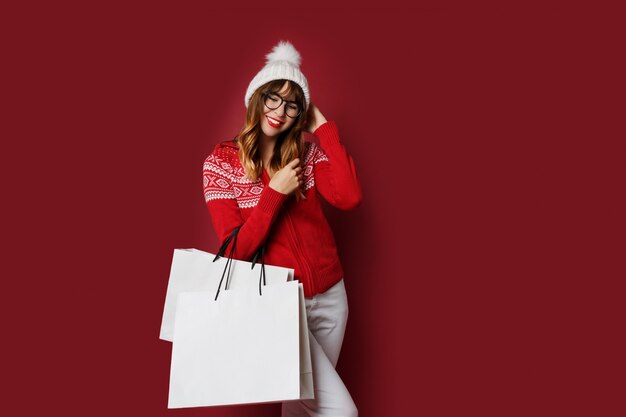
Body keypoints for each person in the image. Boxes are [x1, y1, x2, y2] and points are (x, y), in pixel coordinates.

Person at [202, 40, 362, 417]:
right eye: (272, 98)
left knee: (300, 406)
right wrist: (273, 194)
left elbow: (349, 197)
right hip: (280, 304)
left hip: (331, 298)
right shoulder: (220, 163)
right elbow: (234, 252)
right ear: (257, 99)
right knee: (340, 411)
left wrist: (323, 129)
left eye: (292, 104)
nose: (280, 111)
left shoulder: (307, 156)